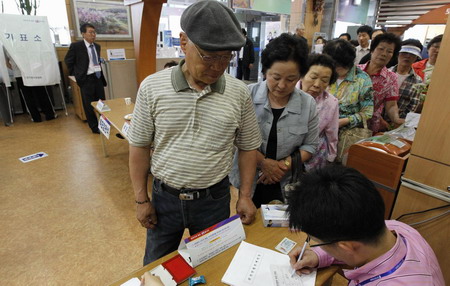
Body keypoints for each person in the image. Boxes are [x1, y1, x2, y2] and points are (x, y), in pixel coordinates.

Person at [127, 0, 261, 265]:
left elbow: (247, 148)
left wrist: (245, 195)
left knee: (215, 267)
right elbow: (139, 147)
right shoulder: (152, 88)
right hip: (165, 198)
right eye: (209, 56)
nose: (218, 66)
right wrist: (141, 200)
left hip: (214, 200)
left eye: (226, 57)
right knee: (156, 266)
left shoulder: (239, 93)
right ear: (184, 42)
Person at [287, 165, 445, 285]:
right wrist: (319, 255)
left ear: (346, 247)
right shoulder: (397, 228)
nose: (315, 245)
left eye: (315, 242)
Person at [229, 33, 319, 208]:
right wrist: (263, 162)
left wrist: (281, 166)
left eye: (291, 79)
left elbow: (310, 146)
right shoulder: (246, 96)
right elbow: (235, 139)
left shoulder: (308, 104)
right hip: (245, 182)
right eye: (276, 77)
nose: (282, 85)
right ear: (264, 71)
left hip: (286, 182)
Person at [322, 40, 373, 144]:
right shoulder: (322, 73)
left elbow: (367, 112)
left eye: (338, 66)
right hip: (319, 131)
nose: (333, 70)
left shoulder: (361, 79)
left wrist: (342, 122)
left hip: (346, 136)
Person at [64, 23, 107, 134]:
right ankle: (94, 127)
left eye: (94, 32)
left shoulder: (97, 46)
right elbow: (68, 61)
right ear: (83, 34)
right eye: (90, 32)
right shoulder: (76, 46)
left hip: (98, 78)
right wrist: (77, 75)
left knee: (102, 102)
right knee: (88, 105)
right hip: (86, 79)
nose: (93, 35)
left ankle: (104, 124)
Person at [358, 33, 404, 133]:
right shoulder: (356, 70)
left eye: (389, 51)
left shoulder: (391, 78)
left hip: (368, 126)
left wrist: (396, 119)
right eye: (381, 49)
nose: (384, 54)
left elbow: (391, 105)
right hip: (345, 119)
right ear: (372, 50)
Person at [300, 54, 339, 170]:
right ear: (302, 75)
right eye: (313, 77)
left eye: (324, 80)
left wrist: (331, 157)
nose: (317, 85)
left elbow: (332, 133)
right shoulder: (288, 93)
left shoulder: (331, 102)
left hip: (315, 156)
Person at [6, 54, 56, 122]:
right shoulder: (26, 42)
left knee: (27, 96)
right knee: (41, 92)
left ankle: (36, 118)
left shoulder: (5, 45)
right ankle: (49, 114)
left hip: (19, 73)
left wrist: (15, 69)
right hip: (33, 71)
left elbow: (6, 62)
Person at [387, 39, 423, 120]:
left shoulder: (418, 81)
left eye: (412, 54)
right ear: (398, 54)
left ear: (416, 57)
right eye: (404, 53)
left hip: (398, 122)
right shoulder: (386, 73)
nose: (408, 56)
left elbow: (413, 105)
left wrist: (398, 121)